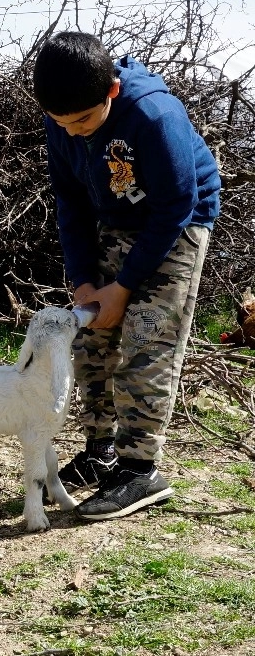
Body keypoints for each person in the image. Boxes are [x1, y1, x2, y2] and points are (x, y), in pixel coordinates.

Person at [32, 31, 220, 521]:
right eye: (60, 123)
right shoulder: (64, 118)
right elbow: (70, 201)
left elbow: (177, 203)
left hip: (176, 223)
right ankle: (101, 452)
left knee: (146, 338)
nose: (72, 132)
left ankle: (140, 470)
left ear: (111, 91)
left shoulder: (155, 116)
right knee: (90, 332)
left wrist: (127, 285)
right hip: (115, 220)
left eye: (83, 121)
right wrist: (84, 281)